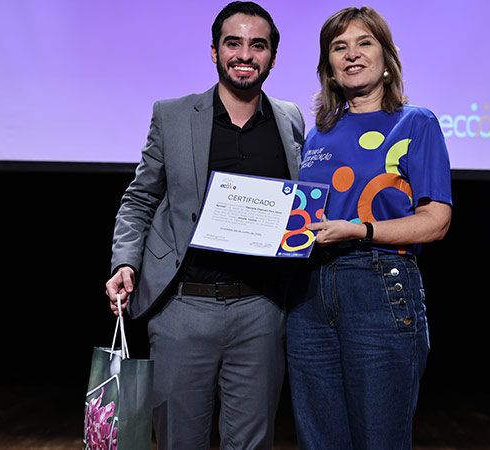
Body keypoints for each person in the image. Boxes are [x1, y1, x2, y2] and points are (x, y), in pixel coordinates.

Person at [104, 2, 304, 449]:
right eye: (234, 43)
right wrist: (125, 262)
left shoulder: (290, 118)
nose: (245, 55)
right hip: (183, 309)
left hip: (261, 310)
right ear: (214, 51)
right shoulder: (173, 116)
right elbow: (139, 199)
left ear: (273, 57)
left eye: (258, 45)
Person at [286, 6, 452, 450]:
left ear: (386, 59)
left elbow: (436, 221)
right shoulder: (315, 135)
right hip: (308, 294)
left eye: (364, 43)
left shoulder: (415, 122)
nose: (352, 54)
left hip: (378, 286)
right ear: (329, 68)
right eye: (339, 47)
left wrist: (360, 230)